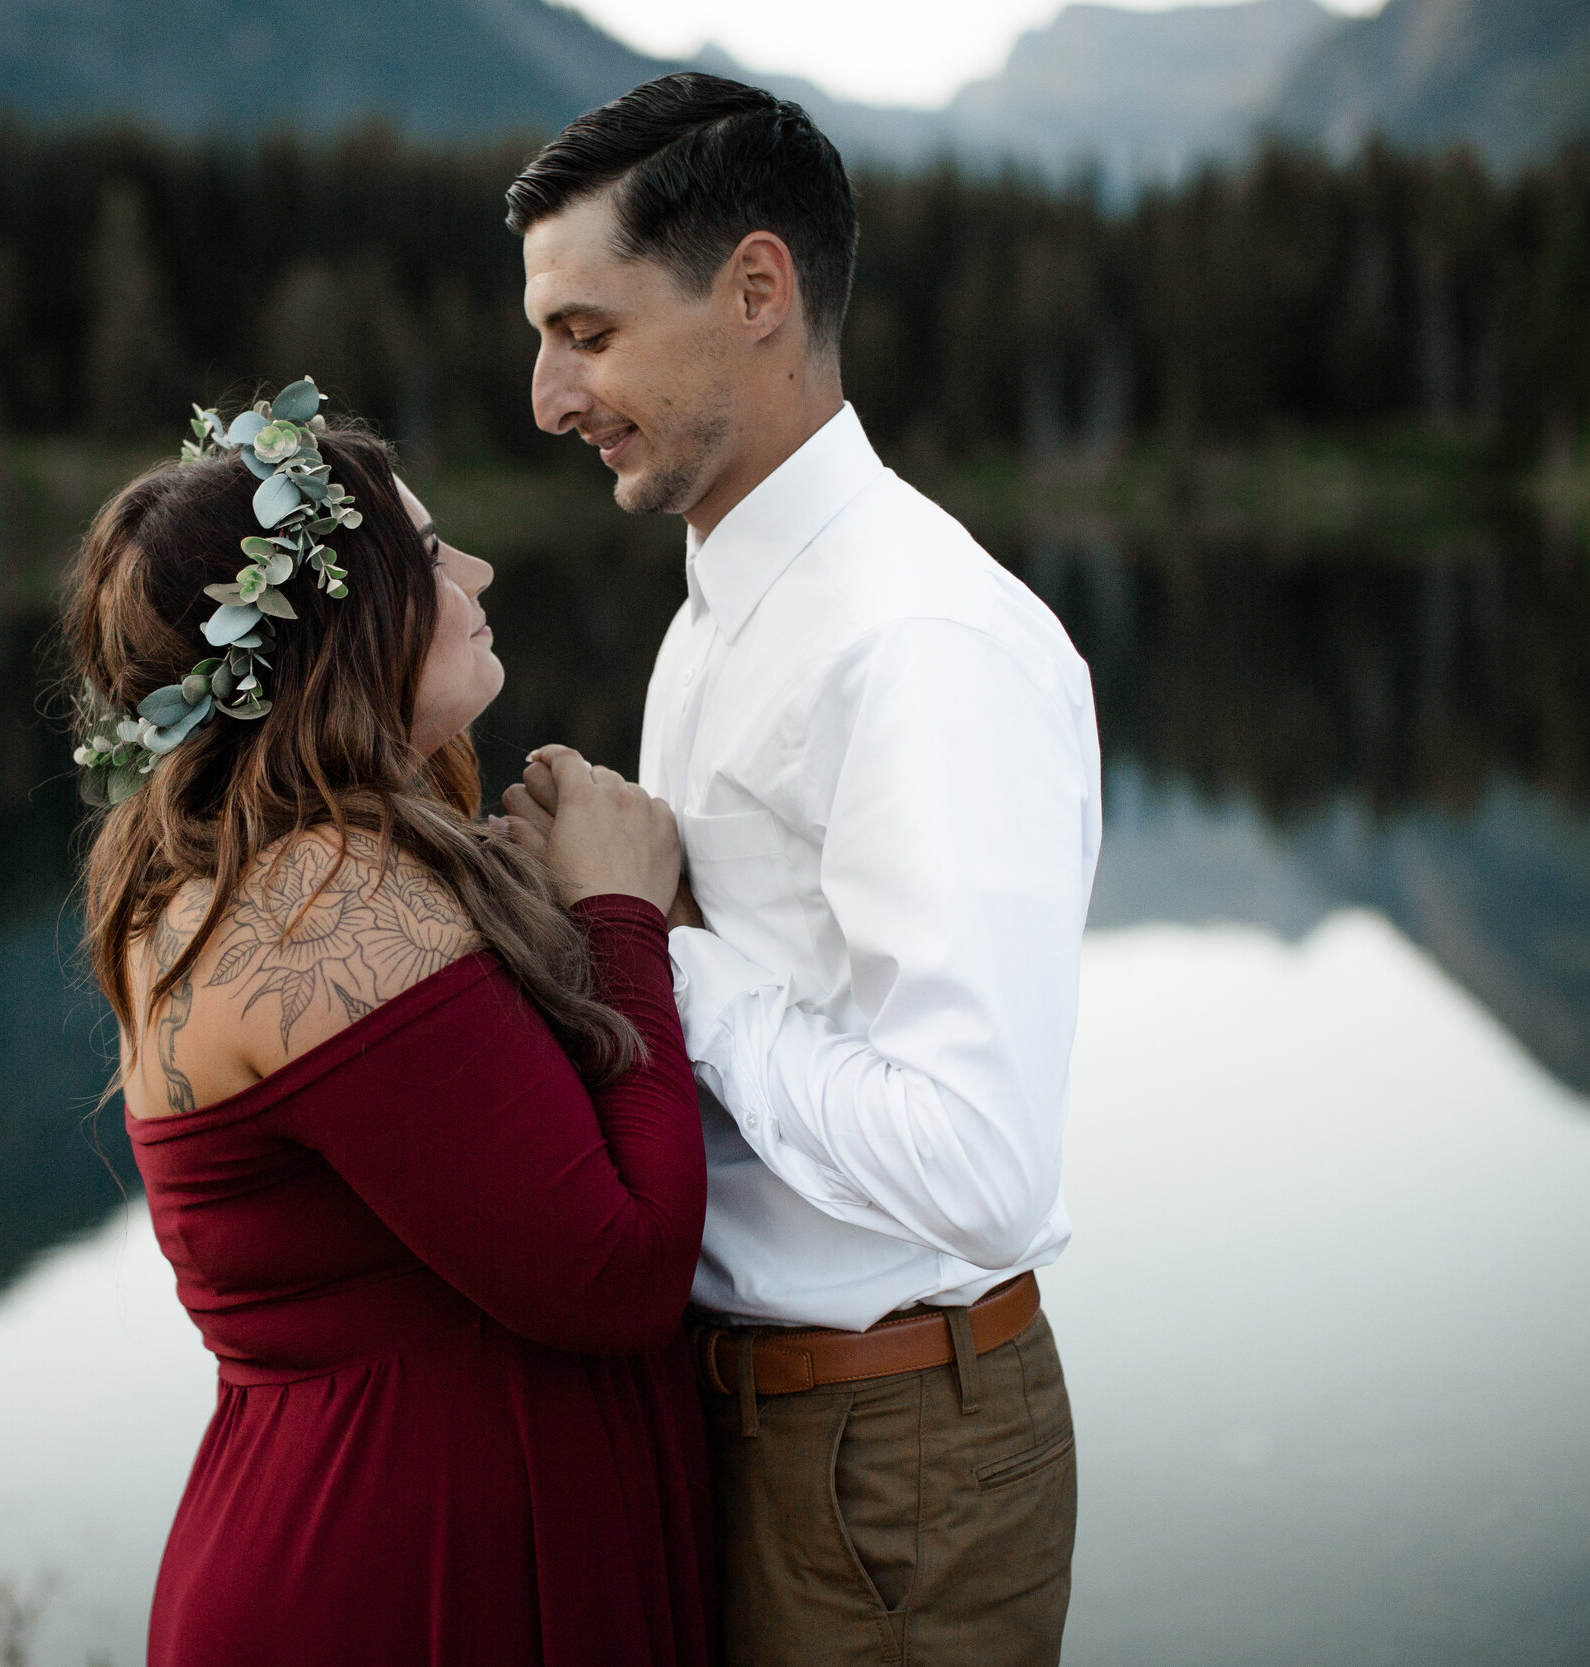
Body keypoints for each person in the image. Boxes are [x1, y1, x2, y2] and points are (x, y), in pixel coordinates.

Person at [494, 75, 1103, 1667]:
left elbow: (984, 1166)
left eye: (588, 332)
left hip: (891, 1460)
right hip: (763, 1419)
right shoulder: (724, 599)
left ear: (756, 290)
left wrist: (654, 941)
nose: (549, 395)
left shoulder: (918, 642)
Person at [59, 386, 717, 1666]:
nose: (472, 569)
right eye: (423, 556)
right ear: (334, 632)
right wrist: (623, 918)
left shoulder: (275, 868)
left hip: (403, 1534)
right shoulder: (315, 903)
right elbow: (618, 1266)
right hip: (400, 1579)